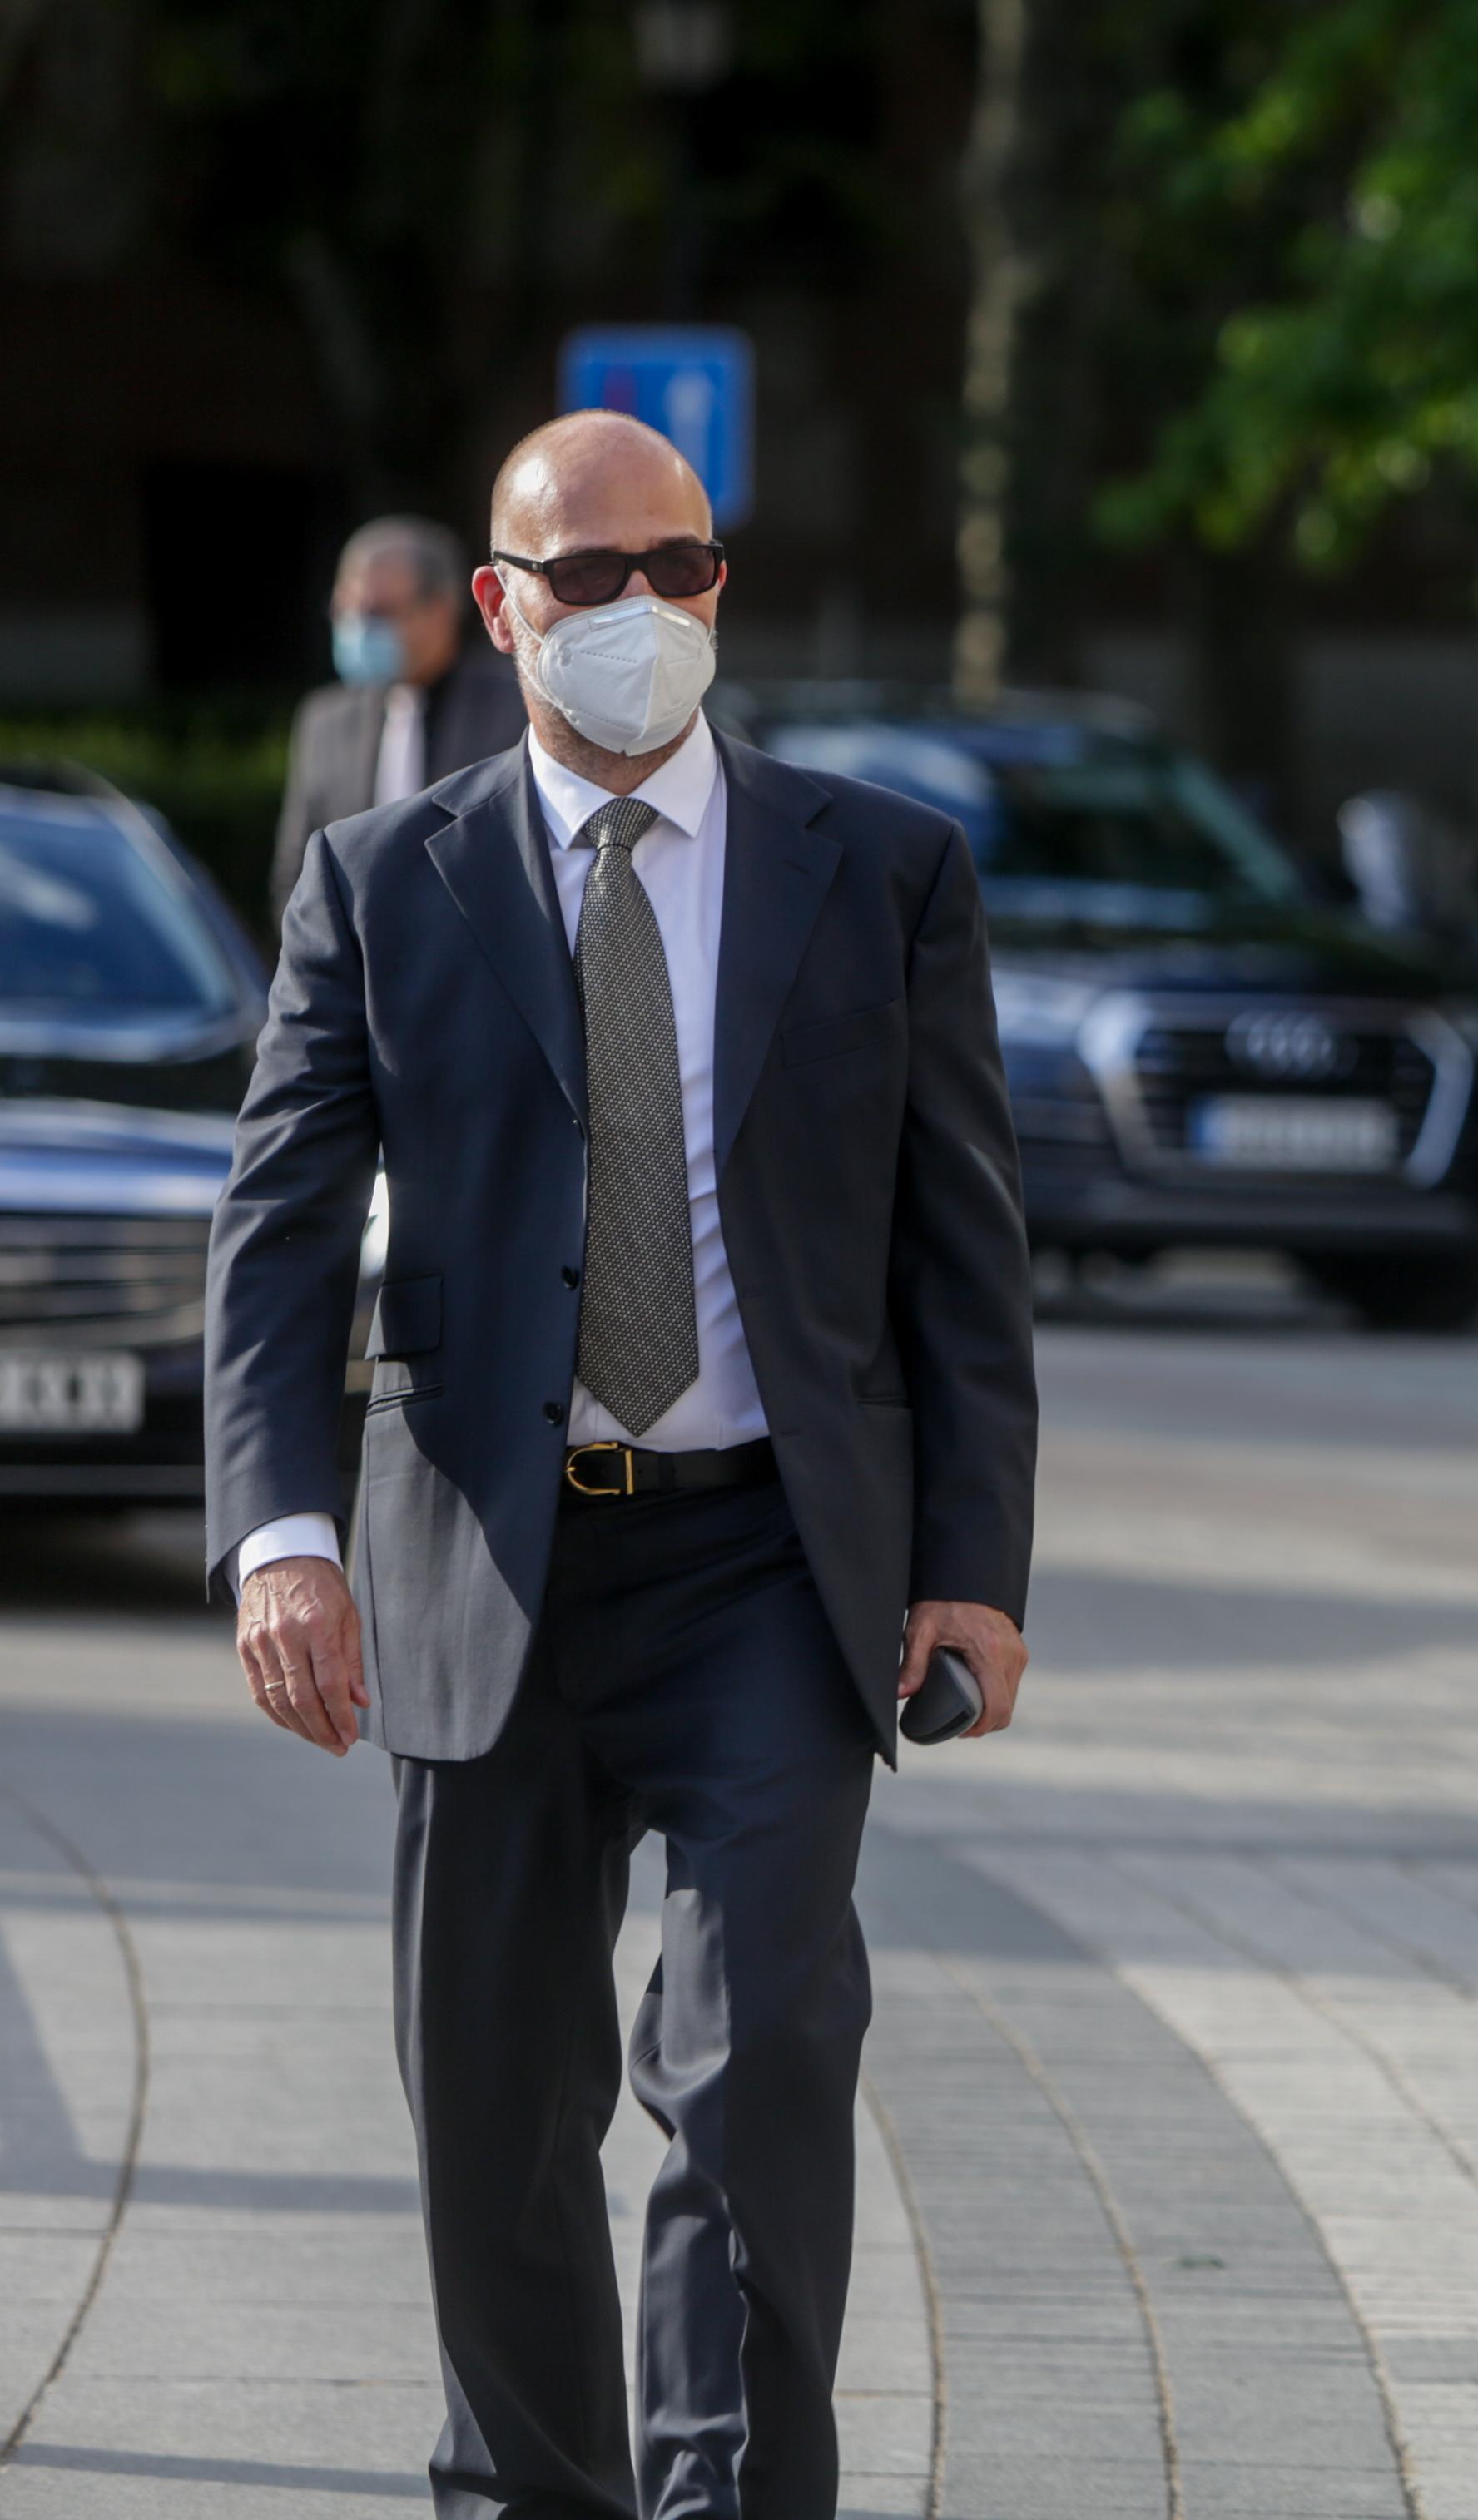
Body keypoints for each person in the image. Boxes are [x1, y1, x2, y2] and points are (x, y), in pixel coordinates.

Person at [205, 410, 1039, 2520]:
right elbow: (283, 1226)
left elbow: (964, 1248)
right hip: (485, 1564)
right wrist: (280, 1533)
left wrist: (978, 1558)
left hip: (771, 1564)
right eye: (586, 577)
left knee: (759, 2072)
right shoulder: (382, 882)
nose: (640, 610)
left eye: (679, 565)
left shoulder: (884, 869)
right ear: (497, 611)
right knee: (492, 2113)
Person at [275, 514, 529, 910]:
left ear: (441, 612)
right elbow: (296, 875)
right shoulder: (324, 721)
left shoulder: (515, 706)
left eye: (378, 613)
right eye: (346, 611)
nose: (356, 629)